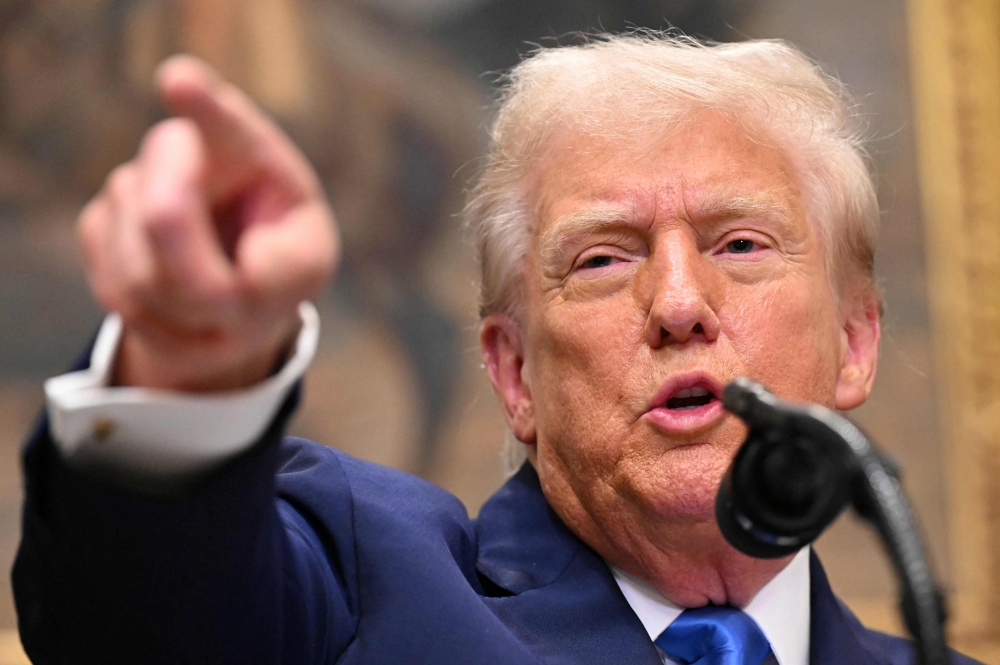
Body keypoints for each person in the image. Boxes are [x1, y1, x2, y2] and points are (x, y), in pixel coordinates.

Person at [13, 34, 980, 665]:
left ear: (855, 344)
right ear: (514, 372)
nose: (680, 302)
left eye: (740, 245)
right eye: (603, 259)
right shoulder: (360, 591)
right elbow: (141, 614)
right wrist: (185, 366)